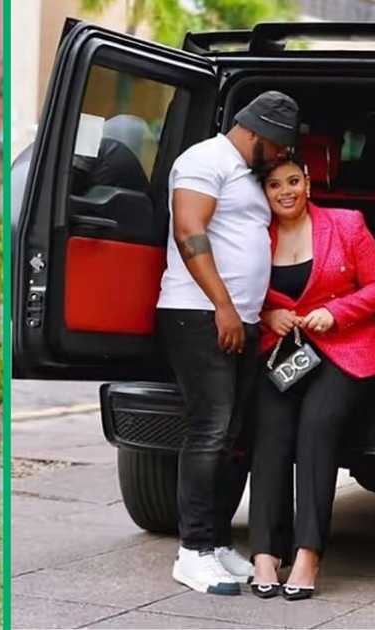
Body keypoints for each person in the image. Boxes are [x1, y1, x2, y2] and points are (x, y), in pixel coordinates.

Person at [156, 90, 299, 596]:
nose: (281, 156)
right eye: (278, 147)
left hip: (241, 318)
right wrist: (222, 305)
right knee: (209, 431)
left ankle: (216, 543)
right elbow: (189, 230)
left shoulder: (248, 172)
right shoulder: (204, 160)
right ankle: (191, 551)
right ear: (255, 134)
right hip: (198, 314)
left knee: (235, 434)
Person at [248, 156, 375, 600]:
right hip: (284, 352)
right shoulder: (254, 236)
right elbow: (238, 291)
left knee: (316, 426)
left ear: (309, 182)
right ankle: (265, 554)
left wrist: (336, 311)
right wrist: (267, 315)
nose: (286, 191)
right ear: (265, 194)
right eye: (275, 185)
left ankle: (308, 552)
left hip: (345, 350)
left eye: (294, 181)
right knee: (270, 431)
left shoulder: (346, 224)